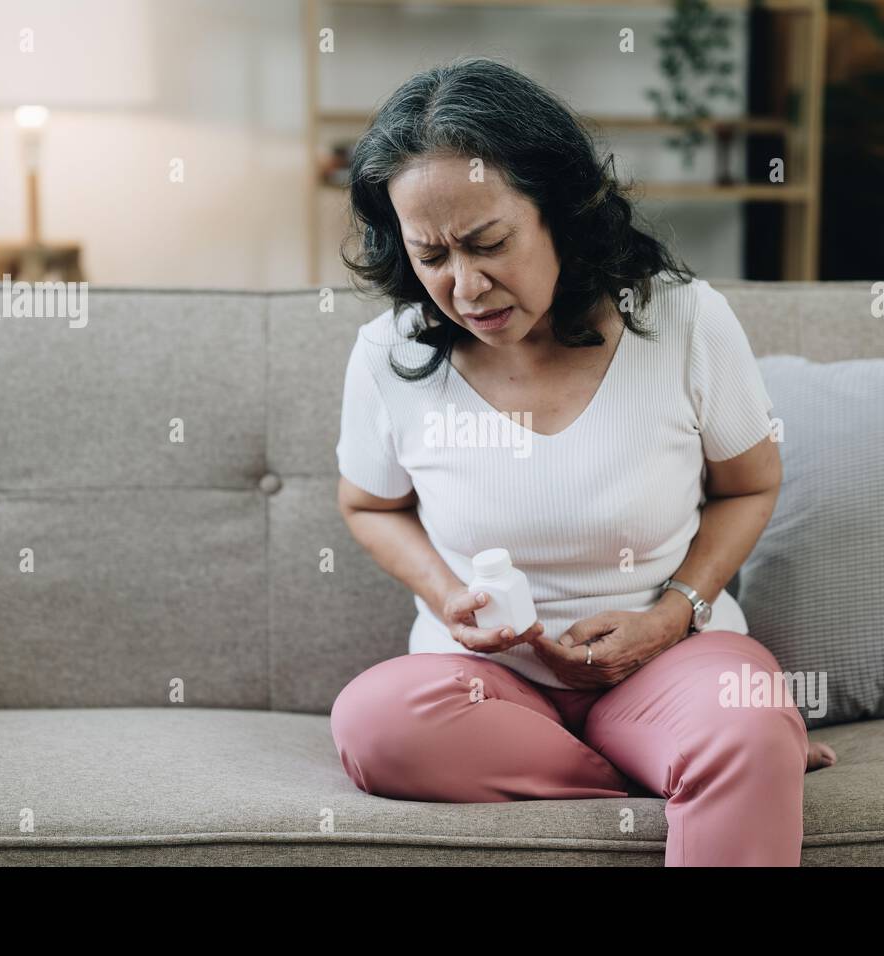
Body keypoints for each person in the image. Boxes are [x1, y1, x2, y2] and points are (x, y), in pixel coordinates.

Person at [330, 56, 835, 867]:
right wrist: (449, 593)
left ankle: (731, 751)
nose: (465, 285)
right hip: (484, 688)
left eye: (489, 242)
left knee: (738, 719)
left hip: (670, 658)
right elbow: (369, 504)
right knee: (372, 724)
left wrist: (672, 615)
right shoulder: (389, 355)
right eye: (432, 257)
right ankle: (715, 768)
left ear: (560, 212)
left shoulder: (682, 321)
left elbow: (751, 485)